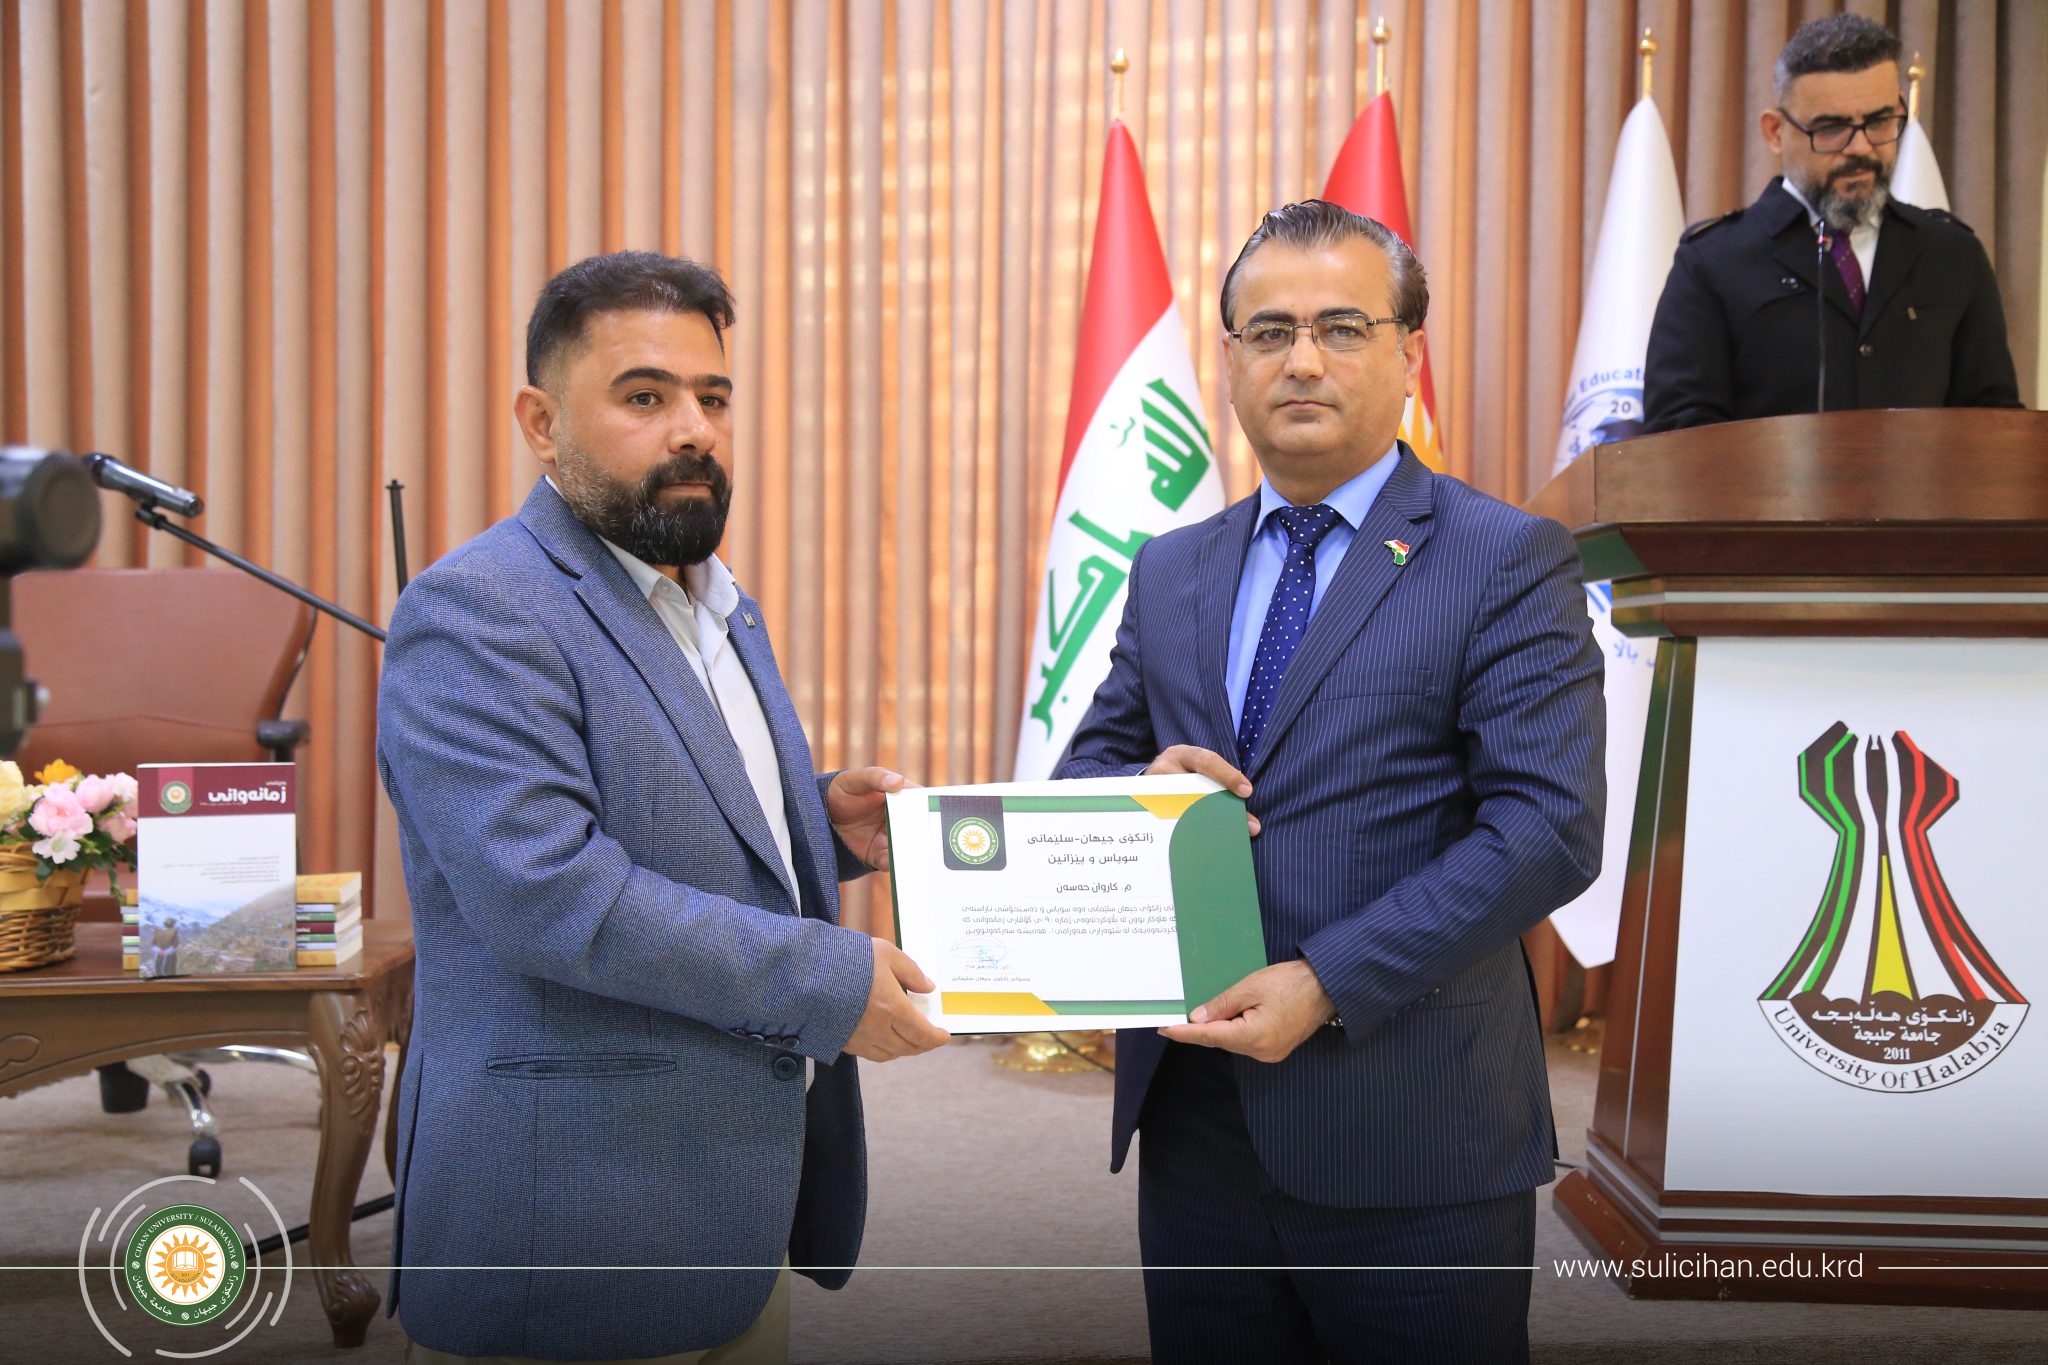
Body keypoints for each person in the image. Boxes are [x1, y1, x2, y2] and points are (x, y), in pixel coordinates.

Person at [376, 251, 949, 1363]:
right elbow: (551, 895)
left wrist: (819, 822)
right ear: (542, 424)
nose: (693, 430)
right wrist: (826, 981)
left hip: (730, 1205)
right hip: (573, 1221)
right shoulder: (477, 610)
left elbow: (673, 807)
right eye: (644, 397)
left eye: (713, 398)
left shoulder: (717, 600)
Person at [1058, 200, 1605, 1362]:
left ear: (1408, 355)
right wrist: (1145, 784)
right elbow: (1088, 771)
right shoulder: (1168, 567)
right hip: (1198, 1123)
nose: (1300, 360)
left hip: (1411, 1124)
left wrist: (1327, 979)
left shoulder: (1503, 556)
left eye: (1340, 327)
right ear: (1229, 362)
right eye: (1268, 332)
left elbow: (1546, 827)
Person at [1643, 13, 2021, 432]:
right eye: (1831, 129)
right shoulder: (1713, 263)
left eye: (1879, 122)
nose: (1861, 148)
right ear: (1775, 132)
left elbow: (1994, 424)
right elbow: (1678, 433)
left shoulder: (1952, 255)